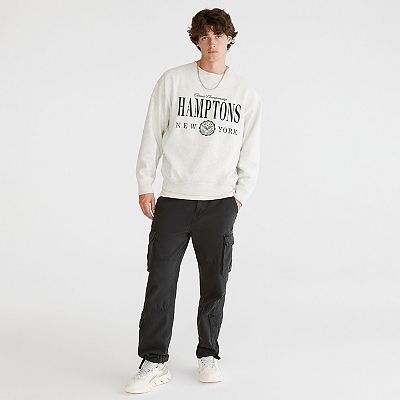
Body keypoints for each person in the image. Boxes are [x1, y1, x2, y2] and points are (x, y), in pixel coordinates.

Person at [125, 7, 262, 394]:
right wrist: (145, 183)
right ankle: (154, 361)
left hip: (220, 202)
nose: (212, 42)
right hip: (174, 199)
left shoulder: (246, 94)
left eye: (218, 35)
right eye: (204, 36)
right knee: (160, 281)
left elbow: (251, 151)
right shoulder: (173, 81)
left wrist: (239, 197)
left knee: (214, 281)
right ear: (196, 40)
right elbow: (152, 132)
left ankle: (208, 353)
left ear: (230, 38)